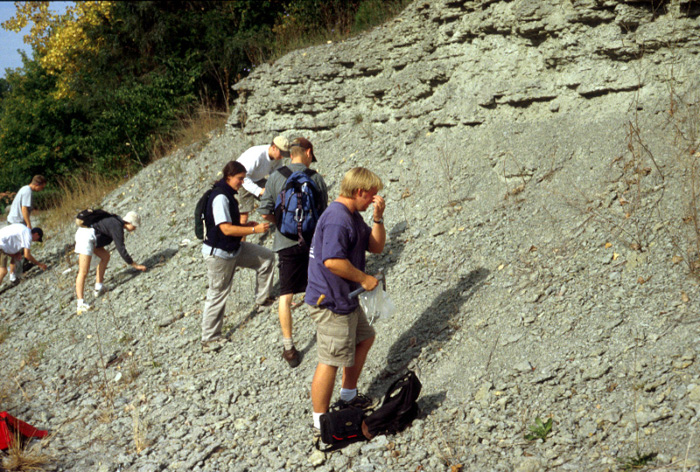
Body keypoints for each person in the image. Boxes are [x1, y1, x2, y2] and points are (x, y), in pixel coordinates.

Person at [304, 167, 386, 432]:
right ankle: (321, 423)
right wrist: (363, 279)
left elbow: (375, 246)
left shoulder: (352, 215)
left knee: (365, 338)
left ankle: (348, 396)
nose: (374, 199)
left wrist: (378, 217)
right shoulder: (338, 219)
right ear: (360, 191)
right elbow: (332, 261)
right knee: (330, 359)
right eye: (372, 196)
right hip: (330, 302)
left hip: (345, 298)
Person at [259, 137, 329, 368]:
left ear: (290, 154)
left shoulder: (275, 177)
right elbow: (323, 213)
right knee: (319, 285)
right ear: (308, 152)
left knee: (285, 295)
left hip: (285, 242)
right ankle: (326, 334)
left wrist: (282, 224)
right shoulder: (315, 178)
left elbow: (265, 213)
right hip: (312, 241)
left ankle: (289, 347)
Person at [201, 161, 276, 352]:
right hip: (219, 254)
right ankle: (209, 340)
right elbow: (225, 228)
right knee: (218, 293)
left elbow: (228, 224)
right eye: (240, 179)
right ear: (228, 177)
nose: (242, 183)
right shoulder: (220, 197)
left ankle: (262, 300)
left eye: (243, 179)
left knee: (267, 258)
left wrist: (244, 226)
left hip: (233, 249)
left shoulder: (227, 194)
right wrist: (253, 229)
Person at [74, 211, 146, 315]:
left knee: (105, 256)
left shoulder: (116, 221)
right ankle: (80, 303)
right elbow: (121, 249)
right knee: (83, 271)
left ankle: (98, 287)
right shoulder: (117, 226)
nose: (135, 228)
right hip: (85, 237)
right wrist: (135, 265)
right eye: (135, 226)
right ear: (130, 222)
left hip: (90, 236)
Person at [235, 136, 290, 228]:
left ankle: (282, 225)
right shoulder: (257, 155)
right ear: (273, 148)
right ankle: (240, 241)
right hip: (241, 180)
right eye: (281, 153)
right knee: (243, 217)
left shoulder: (277, 158)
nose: (282, 156)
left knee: (279, 199)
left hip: (257, 179)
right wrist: (259, 191)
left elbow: (277, 174)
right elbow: (244, 178)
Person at [6, 175, 47, 283]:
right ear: (37, 184)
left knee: (16, 250)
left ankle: (13, 274)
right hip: (17, 222)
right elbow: (24, 209)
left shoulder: (24, 188)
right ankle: (16, 276)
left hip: (13, 220)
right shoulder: (28, 191)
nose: (41, 190)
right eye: (42, 187)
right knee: (19, 251)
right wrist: (28, 224)